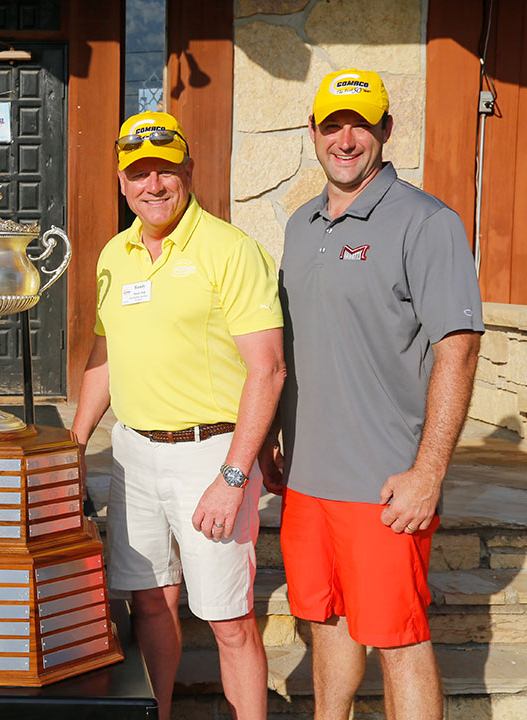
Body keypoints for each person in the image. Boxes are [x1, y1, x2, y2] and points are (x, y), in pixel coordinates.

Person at [260, 69, 483, 720]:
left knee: (399, 640)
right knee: (326, 623)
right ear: (312, 132)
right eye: (333, 125)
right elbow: (297, 343)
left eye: (360, 124)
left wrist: (428, 473)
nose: (346, 139)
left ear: (386, 129)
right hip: (307, 481)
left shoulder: (427, 222)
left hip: (383, 487)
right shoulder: (301, 225)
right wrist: (273, 436)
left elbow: (459, 351)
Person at [72, 111, 285, 720]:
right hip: (133, 453)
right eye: (139, 173)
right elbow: (106, 354)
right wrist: (75, 444)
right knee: (150, 603)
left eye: (165, 170)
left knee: (229, 620)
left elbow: (268, 369)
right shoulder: (114, 255)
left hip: (210, 456)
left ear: (189, 170)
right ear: (121, 181)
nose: (153, 185)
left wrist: (234, 475)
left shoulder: (230, 250)